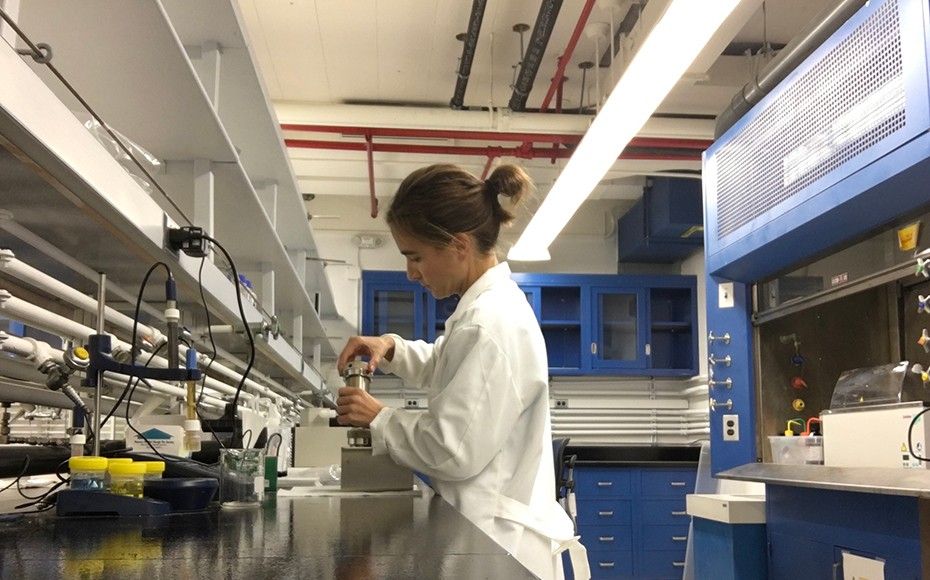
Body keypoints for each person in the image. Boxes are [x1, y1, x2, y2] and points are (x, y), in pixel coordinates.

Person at [336, 163, 589, 580]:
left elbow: (452, 451)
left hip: (496, 547)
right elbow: (446, 364)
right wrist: (392, 347)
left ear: (458, 244)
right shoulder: (480, 310)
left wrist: (378, 417)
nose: (411, 273)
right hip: (486, 536)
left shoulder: (489, 322)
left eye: (415, 256)